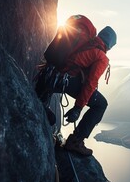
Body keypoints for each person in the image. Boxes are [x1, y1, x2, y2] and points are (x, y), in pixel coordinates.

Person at [35, 16, 117, 156]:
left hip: (49, 75)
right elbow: (90, 84)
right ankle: (76, 141)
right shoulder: (101, 57)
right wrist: (78, 108)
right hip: (63, 80)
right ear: (109, 46)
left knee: (44, 106)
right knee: (101, 104)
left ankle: (40, 101)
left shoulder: (86, 42)